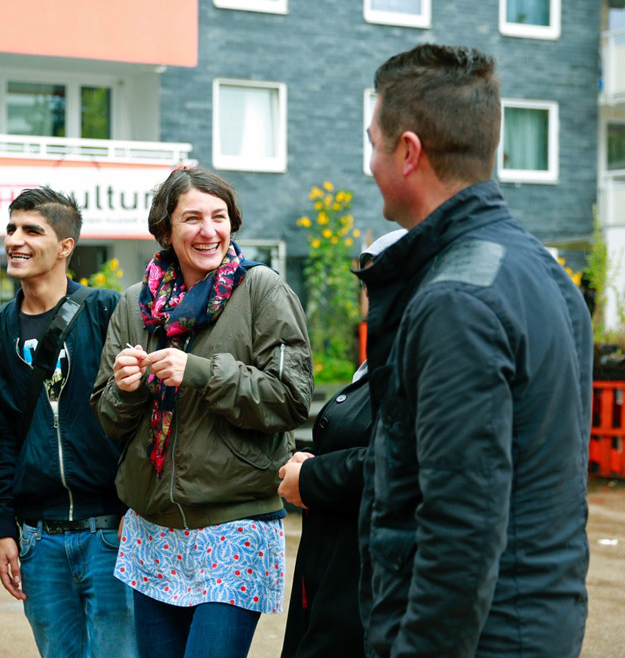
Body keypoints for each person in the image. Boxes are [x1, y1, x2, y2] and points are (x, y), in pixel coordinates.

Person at [357, 43, 592, 658]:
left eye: (373, 142)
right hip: (536, 624)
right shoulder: (544, 272)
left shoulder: (457, 299)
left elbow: (460, 528)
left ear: (408, 152)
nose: (369, 163)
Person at [91, 166, 313, 658]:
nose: (208, 230)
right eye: (191, 218)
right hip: (154, 528)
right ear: (165, 230)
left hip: (237, 526)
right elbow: (108, 419)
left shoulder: (262, 291)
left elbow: (292, 397)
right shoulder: (133, 304)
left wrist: (199, 372)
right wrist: (127, 389)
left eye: (219, 216)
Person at [0, 187, 136, 658]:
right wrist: (3, 530)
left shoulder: (106, 311)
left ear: (65, 246)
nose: (15, 240)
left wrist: (134, 508)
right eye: (11, 228)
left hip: (112, 534)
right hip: (38, 542)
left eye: (32, 230)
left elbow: (141, 419)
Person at [278, 229, 406, 658]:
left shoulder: (421, 361)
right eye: (366, 285)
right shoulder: (382, 355)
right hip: (335, 560)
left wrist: (312, 477)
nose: (369, 298)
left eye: (380, 283)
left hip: (368, 569)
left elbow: (399, 459)